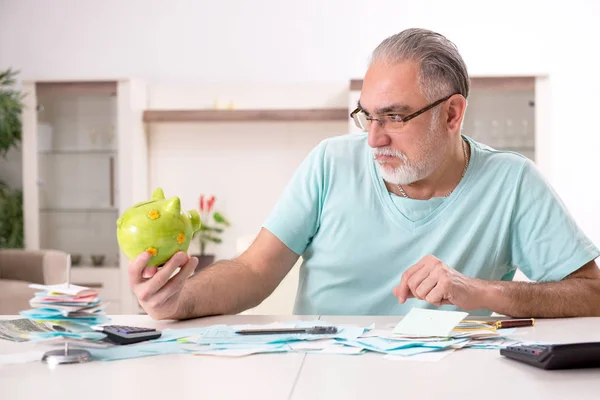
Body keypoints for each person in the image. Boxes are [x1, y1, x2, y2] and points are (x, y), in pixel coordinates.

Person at [128, 28, 600, 320]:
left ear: (453, 114)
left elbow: (591, 294)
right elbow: (254, 271)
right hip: (321, 376)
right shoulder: (329, 163)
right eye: (367, 115)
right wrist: (179, 301)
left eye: (395, 117)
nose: (373, 139)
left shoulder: (512, 183)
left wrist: (482, 292)